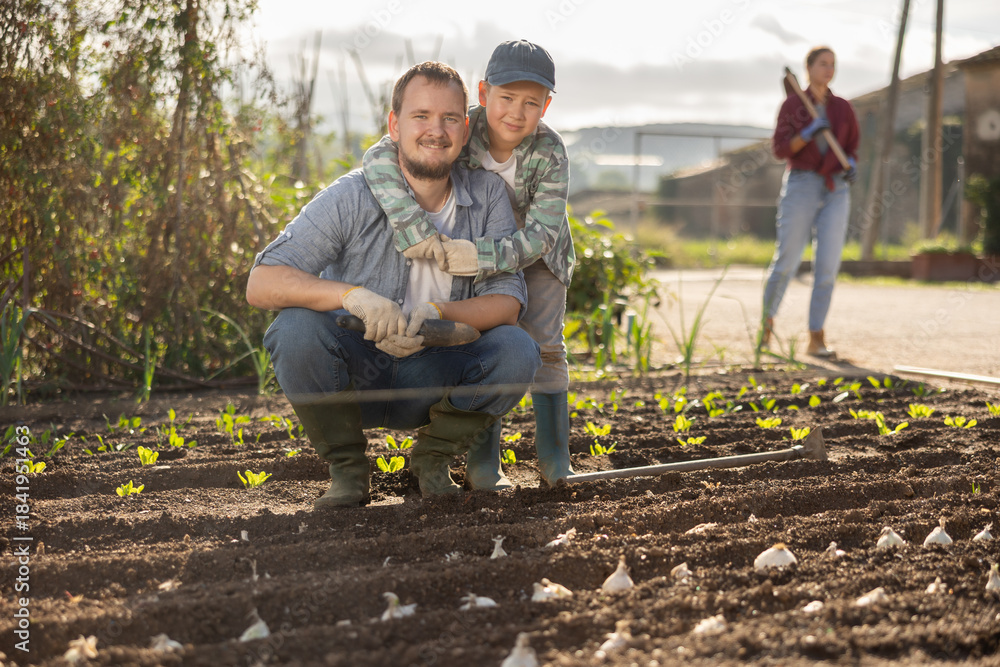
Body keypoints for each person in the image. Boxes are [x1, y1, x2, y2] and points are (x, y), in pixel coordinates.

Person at [246, 61, 541, 508]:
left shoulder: (486, 197)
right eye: (420, 116)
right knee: (294, 329)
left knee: (517, 349)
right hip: (355, 372)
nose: (435, 131)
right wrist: (351, 297)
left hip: (435, 373)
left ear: (465, 129)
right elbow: (263, 281)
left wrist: (440, 314)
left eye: (449, 119)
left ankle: (433, 456)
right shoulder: (352, 195)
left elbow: (508, 300)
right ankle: (348, 470)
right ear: (394, 125)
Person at [362, 40, 575, 489]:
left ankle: (555, 458)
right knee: (490, 336)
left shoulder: (551, 153)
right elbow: (379, 155)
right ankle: (484, 460)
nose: (516, 113)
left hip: (537, 258)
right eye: (506, 99)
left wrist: (481, 256)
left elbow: (542, 235)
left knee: (545, 347)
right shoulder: (462, 127)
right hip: (470, 248)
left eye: (531, 103)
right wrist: (410, 223)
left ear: (547, 105)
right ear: (483, 93)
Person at [762, 46, 859, 358]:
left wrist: (851, 163)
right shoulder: (793, 105)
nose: (829, 69)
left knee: (827, 266)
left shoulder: (843, 108)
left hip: (836, 188)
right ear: (808, 68)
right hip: (802, 183)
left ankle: (816, 336)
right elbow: (780, 149)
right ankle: (766, 325)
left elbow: (853, 145)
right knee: (787, 260)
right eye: (822, 64)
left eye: (833, 64)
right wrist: (807, 132)